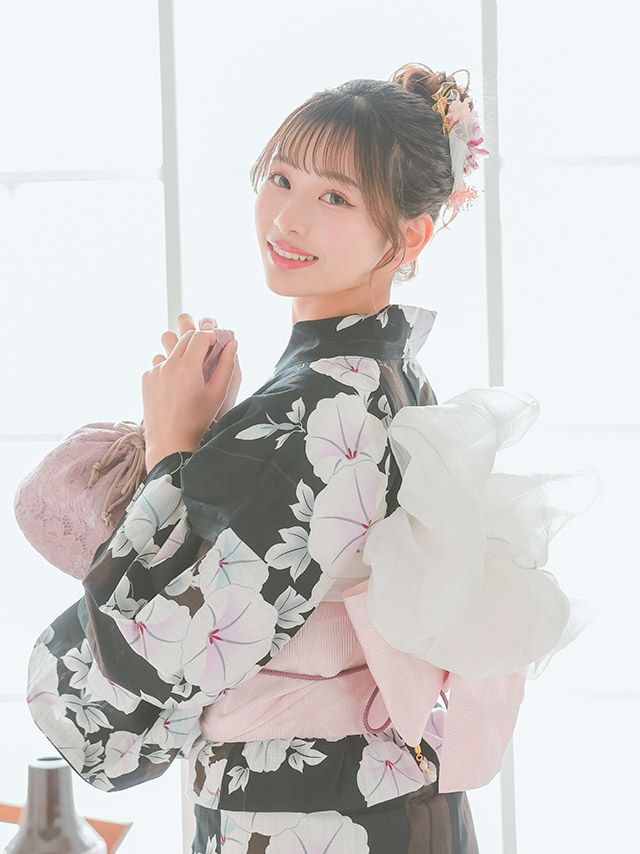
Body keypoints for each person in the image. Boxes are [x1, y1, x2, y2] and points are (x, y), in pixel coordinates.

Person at [26, 64, 594, 854]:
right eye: (281, 178)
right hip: (366, 797)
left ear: (410, 235)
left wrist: (171, 448)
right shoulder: (376, 376)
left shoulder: (326, 403)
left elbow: (161, 656)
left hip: (311, 813)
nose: (288, 218)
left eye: (335, 198)